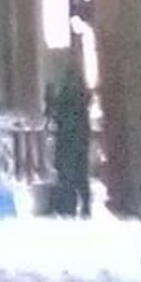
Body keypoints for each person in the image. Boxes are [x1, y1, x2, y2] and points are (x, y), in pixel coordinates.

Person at [49, 62, 92, 217]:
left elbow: (57, 114)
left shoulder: (68, 95)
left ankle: (70, 206)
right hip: (78, 138)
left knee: (69, 174)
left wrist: (53, 102)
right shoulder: (82, 95)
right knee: (80, 174)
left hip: (69, 138)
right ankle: (83, 206)